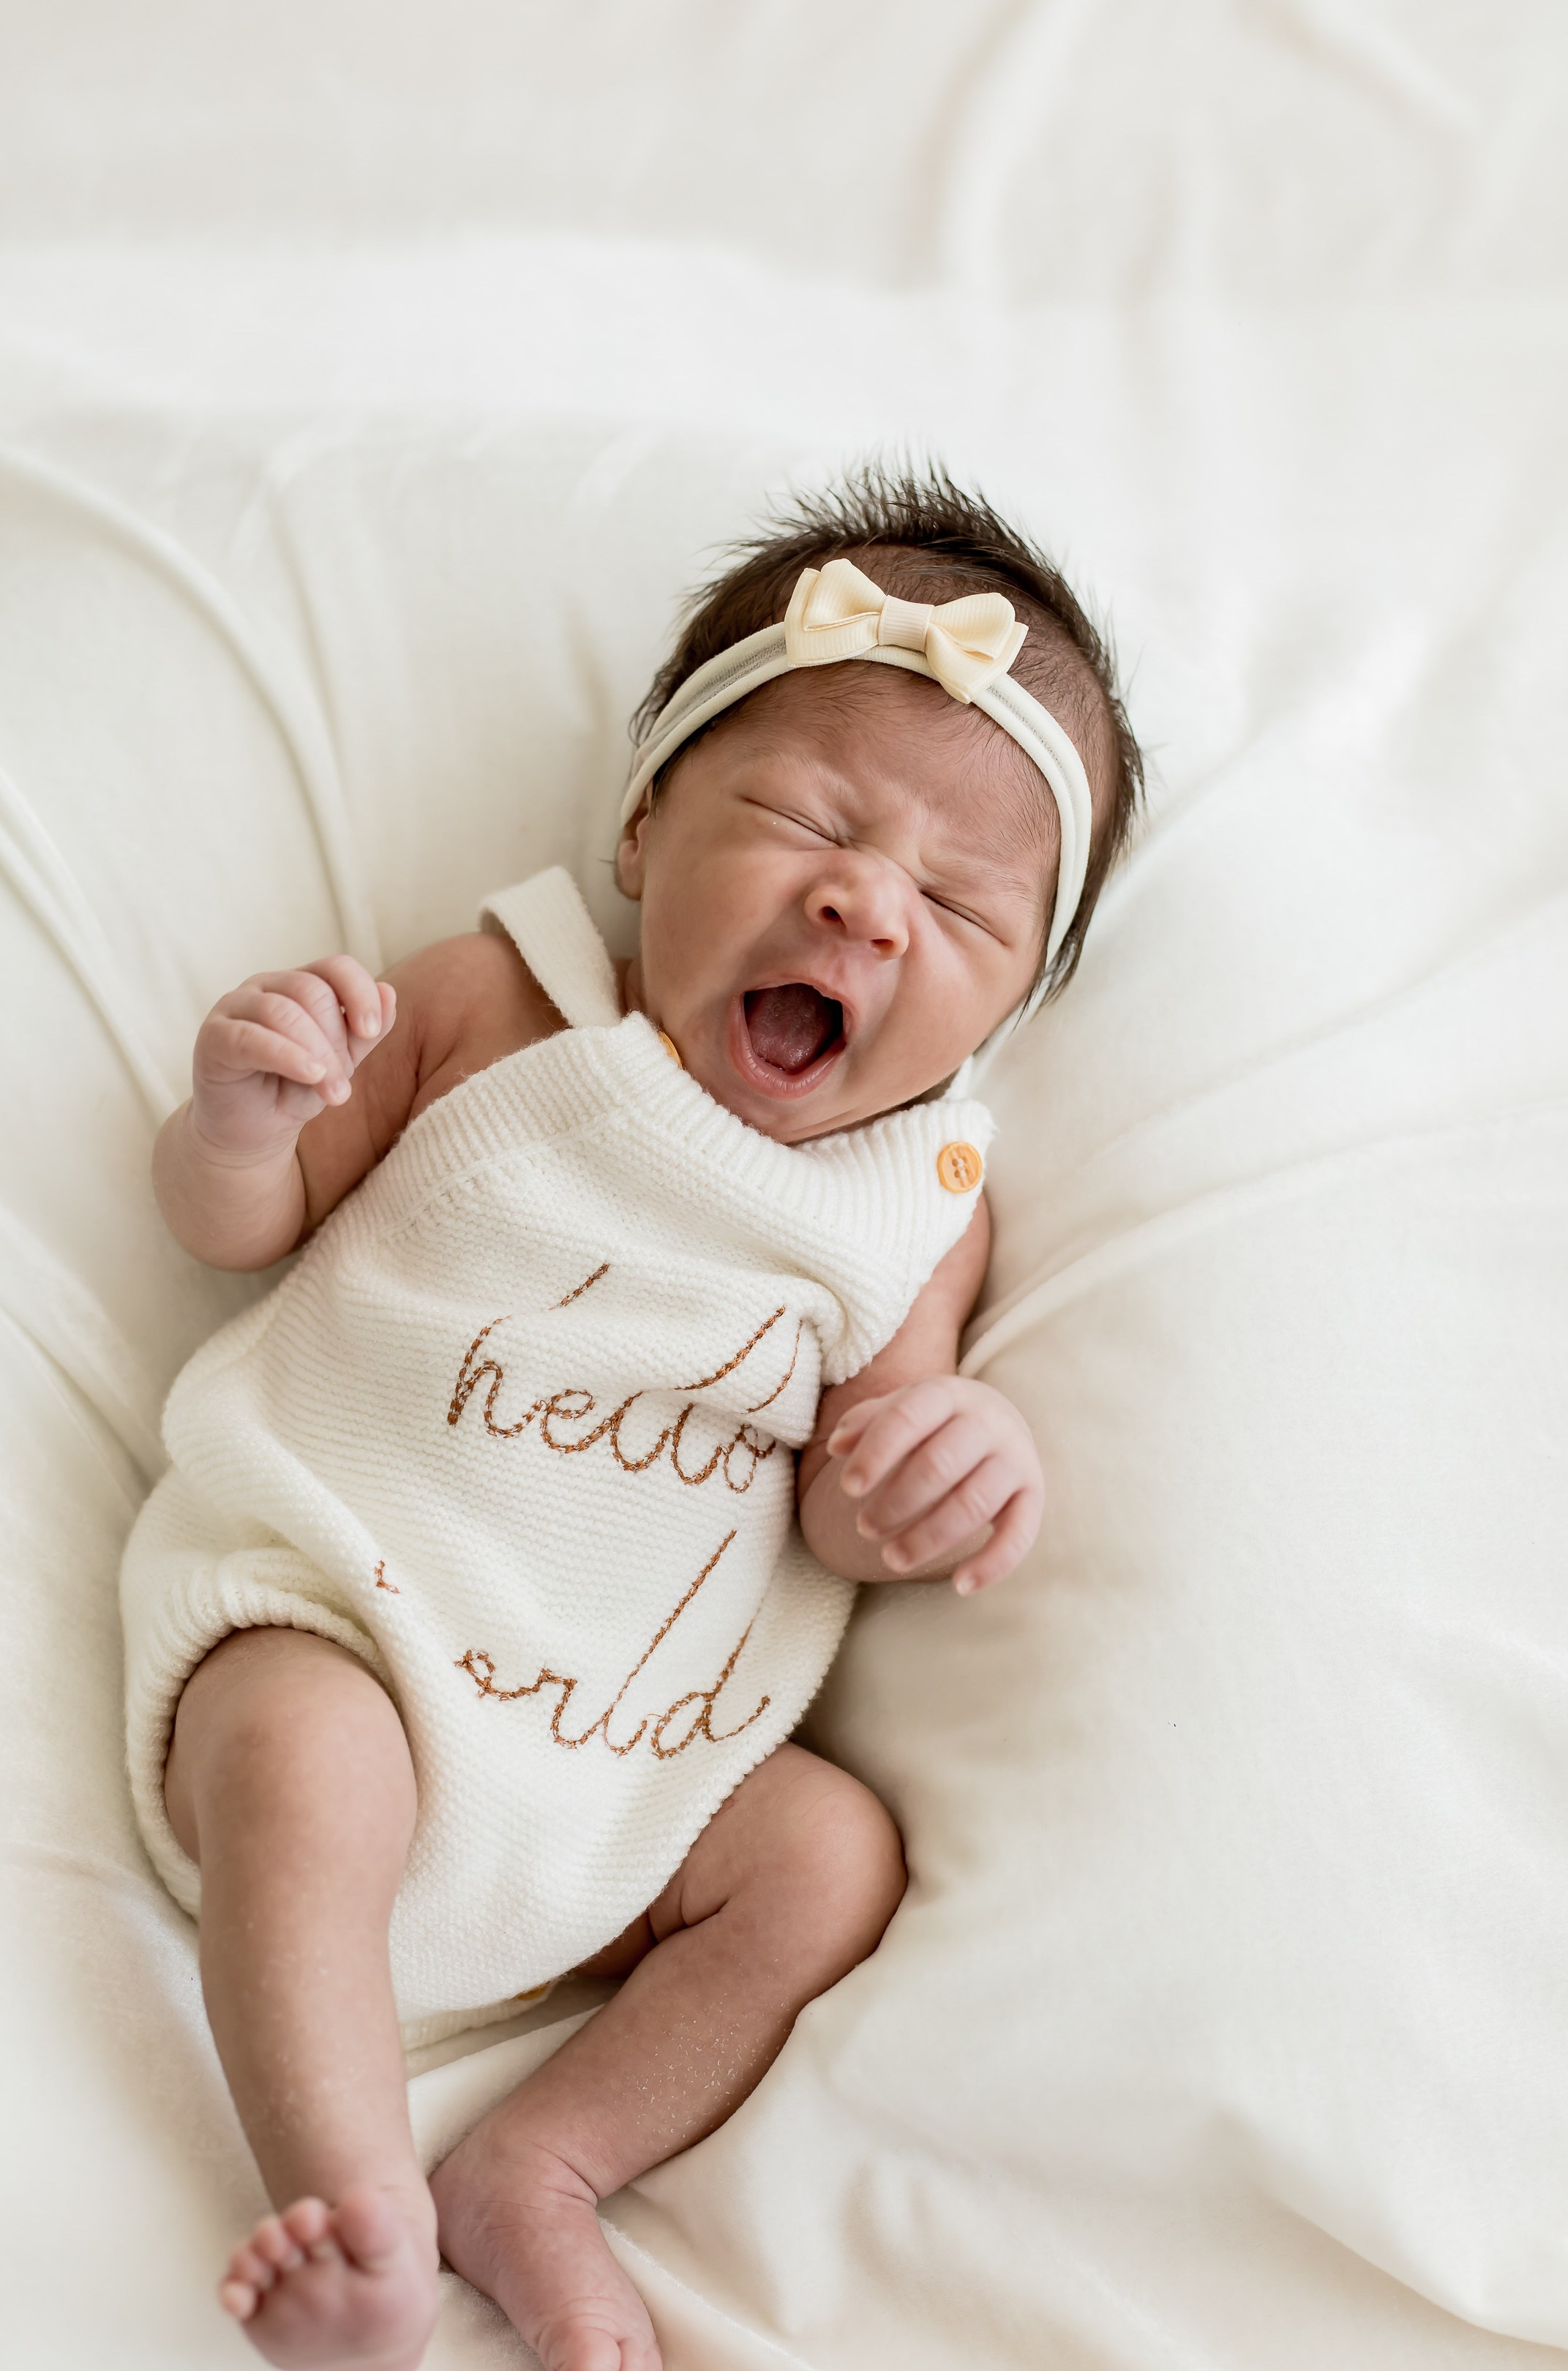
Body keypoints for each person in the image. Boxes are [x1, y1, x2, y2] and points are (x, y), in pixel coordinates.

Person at [121, 468, 1142, 2371]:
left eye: (959, 904)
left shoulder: (923, 1202)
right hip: (345, 1623)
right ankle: (354, 2216)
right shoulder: (500, 1008)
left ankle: (552, 2161)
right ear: (649, 818)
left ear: (1009, 1004)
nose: (865, 900)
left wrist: (934, 1470)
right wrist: (244, 1123)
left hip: (639, 1777)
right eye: (806, 819)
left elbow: (851, 1495)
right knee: (301, 1752)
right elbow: (234, 1228)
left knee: (830, 1855)